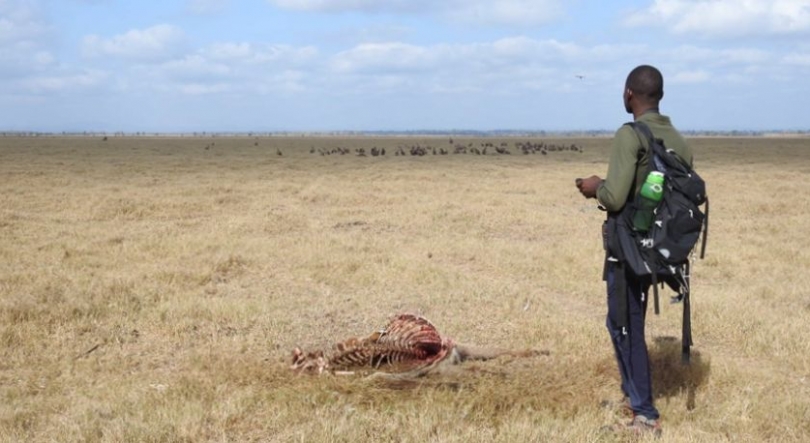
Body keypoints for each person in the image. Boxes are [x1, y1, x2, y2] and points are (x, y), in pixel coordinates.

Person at [576, 65, 693, 437]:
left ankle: (645, 414)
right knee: (628, 322)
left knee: (624, 325)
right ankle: (633, 395)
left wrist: (595, 186)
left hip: (628, 249)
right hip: (661, 248)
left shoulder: (630, 136)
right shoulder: (678, 139)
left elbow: (614, 197)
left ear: (629, 94)